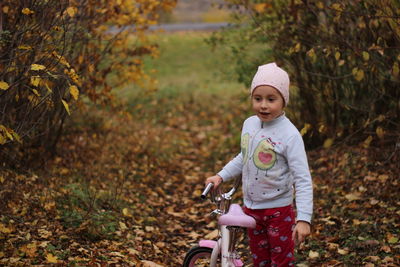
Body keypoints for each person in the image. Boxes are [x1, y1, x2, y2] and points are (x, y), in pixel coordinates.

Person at [205, 62, 313, 266]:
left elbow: (302, 178)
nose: (263, 105)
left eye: (271, 99)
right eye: (258, 98)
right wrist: (221, 176)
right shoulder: (249, 124)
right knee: (260, 260)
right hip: (252, 209)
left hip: (278, 211)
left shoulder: (289, 135)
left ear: (284, 101)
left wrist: (304, 218)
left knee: (281, 261)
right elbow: (244, 156)